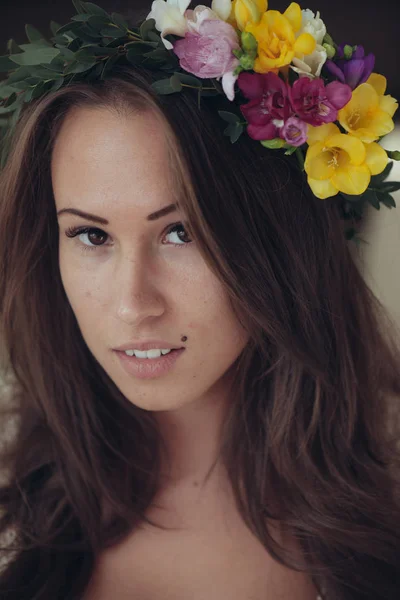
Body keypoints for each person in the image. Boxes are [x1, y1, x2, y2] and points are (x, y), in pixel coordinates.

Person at [0, 2, 400, 599]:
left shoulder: (385, 503)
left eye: (180, 232)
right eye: (92, 235)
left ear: (277, 245)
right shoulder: (14, 503)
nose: (134, 304)